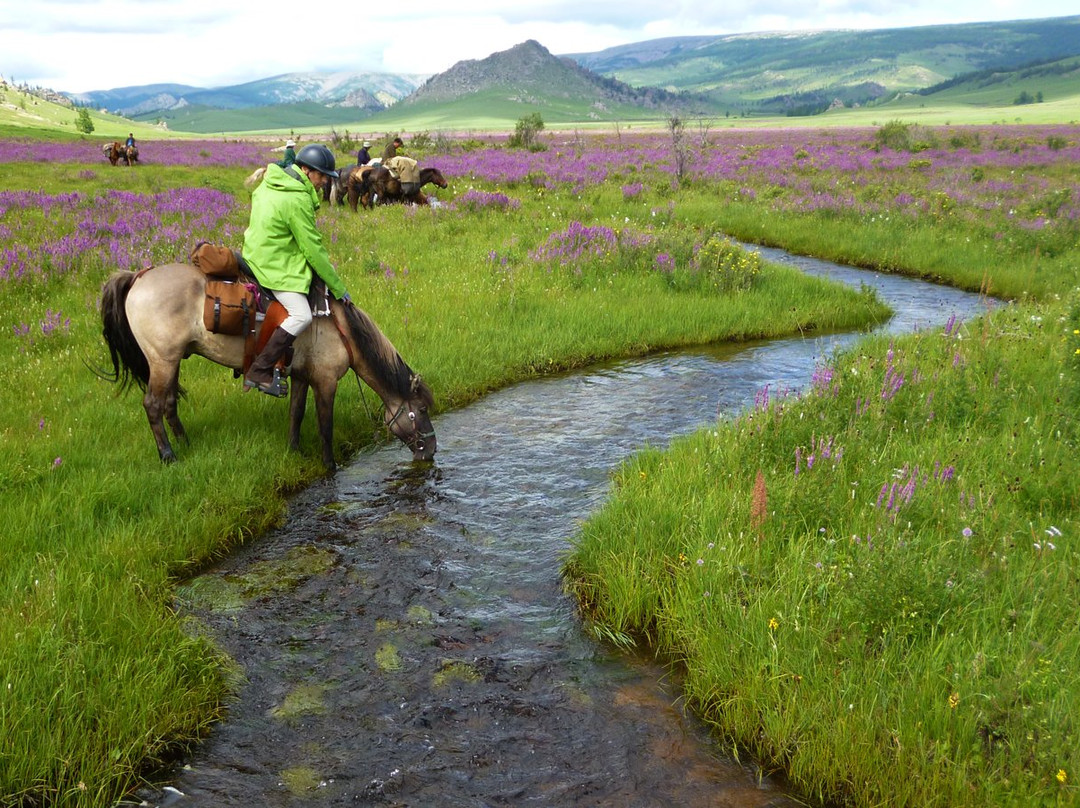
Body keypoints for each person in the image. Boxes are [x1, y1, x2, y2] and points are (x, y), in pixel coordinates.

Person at [241, 143, 351, 397]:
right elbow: (313, 249)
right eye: (321, 175)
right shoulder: (297, 198)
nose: (324, 181)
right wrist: (338, 287)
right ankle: (260, 369)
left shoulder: (272, 181)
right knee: (301, 314)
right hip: (273, 262)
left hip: (256, 251)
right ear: (305, 170)